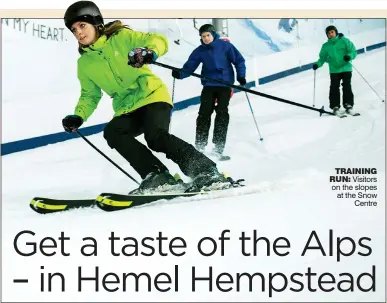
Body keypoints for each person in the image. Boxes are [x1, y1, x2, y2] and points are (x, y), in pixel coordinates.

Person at [61, 1, 231, 193]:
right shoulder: (84, 64)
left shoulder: (122, 37)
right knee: (113, 132)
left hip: (152, 96)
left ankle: (206, 171)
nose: (79, 33)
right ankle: (157, 175)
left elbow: (158, 40)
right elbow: (89, 95)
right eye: (74, 30)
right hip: (126, 107)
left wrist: (149, 52)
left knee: (156, 137)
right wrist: (79, 116)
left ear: (96, 22)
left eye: (82, 26)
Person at [171, 24, 246, 159]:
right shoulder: (200, 51)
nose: (205, 38)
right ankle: (200, 145)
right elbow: (190, 66)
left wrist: (241, 76)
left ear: (213, 35)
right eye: (203, 36)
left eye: (208, 35)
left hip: (224, 85)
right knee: (204, 113)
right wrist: (180, 74)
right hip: (209, 85)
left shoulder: (226, 47)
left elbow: (239, 61)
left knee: (222, 113)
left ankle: (218, 148)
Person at [312, 25, 357, 115]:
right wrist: (317, 64)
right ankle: (335, 106)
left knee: (347, 86)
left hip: (346, 67)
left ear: (335, 32)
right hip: (334, 70)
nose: (330, 34)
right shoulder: (326, 46)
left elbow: (353, 51)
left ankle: (348, 105)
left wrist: (349, 56)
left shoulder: (344, 41)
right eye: (328, 33)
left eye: (332, 32)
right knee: (334, 87)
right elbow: (322, 59)